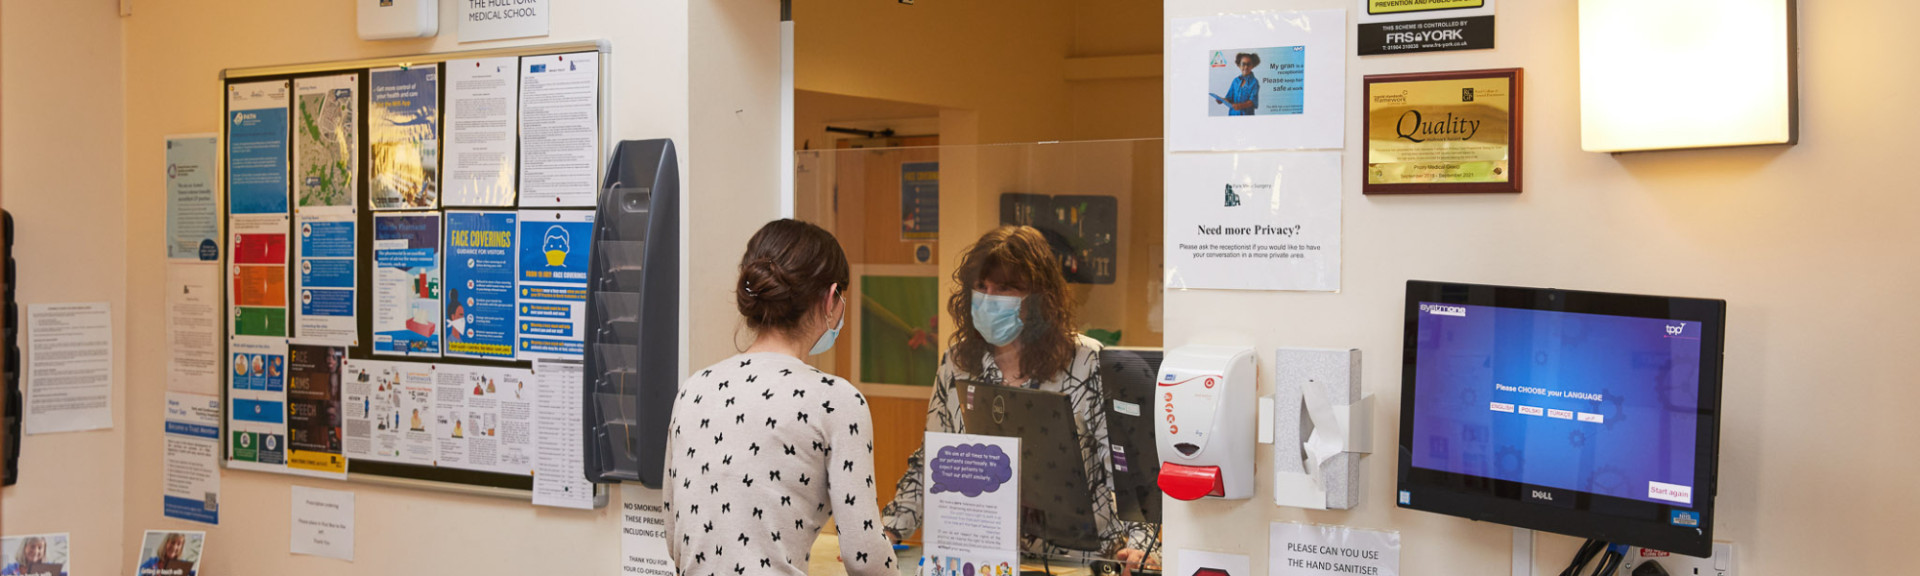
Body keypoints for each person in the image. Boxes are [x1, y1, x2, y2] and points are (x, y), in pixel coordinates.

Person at [880, 226, 1160, 573]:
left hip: (1081, 562)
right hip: (985, 556)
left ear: (1039, 297)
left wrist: (1140, 546)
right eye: (981, 287)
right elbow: (933, 459)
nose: (988, 297)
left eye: (1005, 288)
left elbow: (1123, 469)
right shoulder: (957, 363)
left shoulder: (1087, 362)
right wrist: (890, 528)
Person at [663, 219, 894, 576]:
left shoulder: (694, 389)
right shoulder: (836, 401)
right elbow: (866, 558)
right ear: (831, 299)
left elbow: (674, 536)